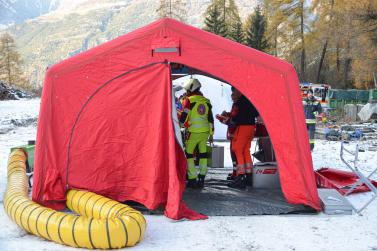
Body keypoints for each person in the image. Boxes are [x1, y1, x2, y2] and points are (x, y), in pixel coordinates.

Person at [179, 78, 214, 188]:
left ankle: (192, 178)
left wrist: (179, 125)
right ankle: (202, 178)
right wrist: (211, 134)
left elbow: (184, 116)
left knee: (189, 154)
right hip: (205, 132)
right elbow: (210, 118)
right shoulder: (206, 101)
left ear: (190, 89)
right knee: (203, 155)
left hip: (193, 132)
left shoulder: (189, 100)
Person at [227, 87, 259, 189]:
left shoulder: (239, 103)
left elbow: (236, 117)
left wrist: (227, 119)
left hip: (242, 127)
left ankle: (240, 177)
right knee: (245, 150)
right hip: (251, 127)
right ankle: (249, 176)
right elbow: (255, 113)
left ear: (238, 91)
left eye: (234, 91)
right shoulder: (249, 101)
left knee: (237, 150)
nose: (232, 93)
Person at [216, 91, 239, 180]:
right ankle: (235, 172)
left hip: (235, 134)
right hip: (233, 135)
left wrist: (223, 118)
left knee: (235, 155)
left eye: (233, 94)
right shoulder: (235, 105)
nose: (231, 96)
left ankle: (237, 173)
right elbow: (233, 116)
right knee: (233, 155)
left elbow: (234, 121)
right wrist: (227, 115)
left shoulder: (238, 105)